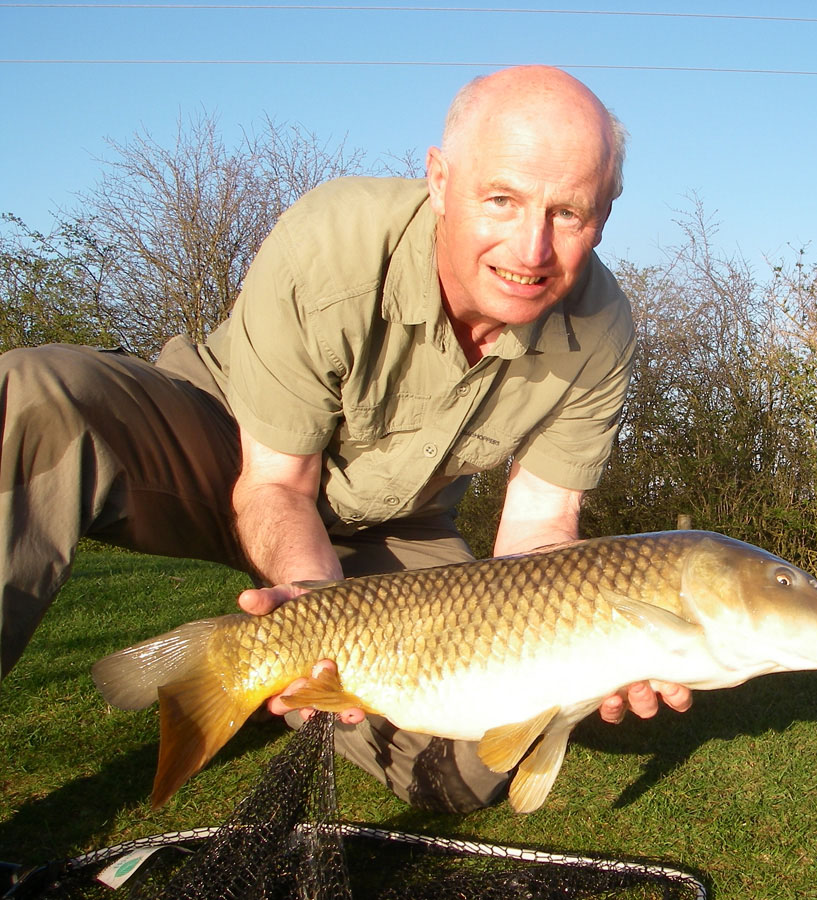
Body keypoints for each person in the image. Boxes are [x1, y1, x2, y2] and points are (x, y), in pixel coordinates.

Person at [0, 65, 691, 812]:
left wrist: (600, 648)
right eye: (501, 199)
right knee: (37, 400)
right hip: (228, 444)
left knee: (479, 761)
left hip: (393, 523)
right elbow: (276, 485)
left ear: (605, 213)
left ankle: (270, 689)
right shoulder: (334, 241)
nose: (530, 248)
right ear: (439, 180)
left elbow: (540, 533)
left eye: (568, 214)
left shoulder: (601, 327)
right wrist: (314, 614)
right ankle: (241, 663)